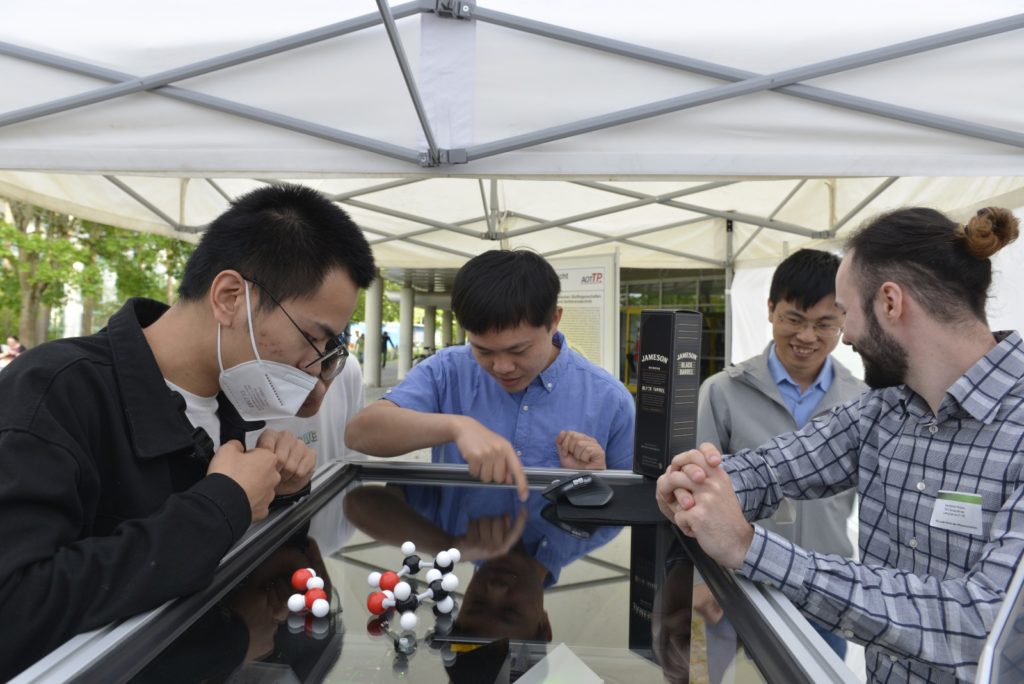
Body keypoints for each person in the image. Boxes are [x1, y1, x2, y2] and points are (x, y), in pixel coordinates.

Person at [0, 184, 375, 679]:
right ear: (228, 297)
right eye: (313, 338)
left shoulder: (233, 397)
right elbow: (16, 610)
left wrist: (276, 491)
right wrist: (224, 503)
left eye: (331, 350)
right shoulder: (54, 392)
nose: (315, 366)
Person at [656, 207, 1022, 684]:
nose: (842, 336)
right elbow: (775, 466)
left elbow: (980, 627)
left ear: (890, 303)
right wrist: (696, 481)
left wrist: (750, 547)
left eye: (844, 313)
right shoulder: (884, 411)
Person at [345, 250, 636, 499]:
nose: (502, 367)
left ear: (554, 320)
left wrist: (597, 480)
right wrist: (457, 427)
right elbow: (360, 434)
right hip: (460, 552)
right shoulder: (447, 371)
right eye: (483, 351)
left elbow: (633, 503)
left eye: (519, 350)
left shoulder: (610, 400)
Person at [695, 249, 865, 661]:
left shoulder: (862, 401)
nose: (807, 337)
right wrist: (702, 580)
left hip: (825, 591)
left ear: (844, 320)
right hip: (736, 590)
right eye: (794, 319)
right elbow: (695, 495)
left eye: (825, 323)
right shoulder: (723, 392)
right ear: (770, 310)